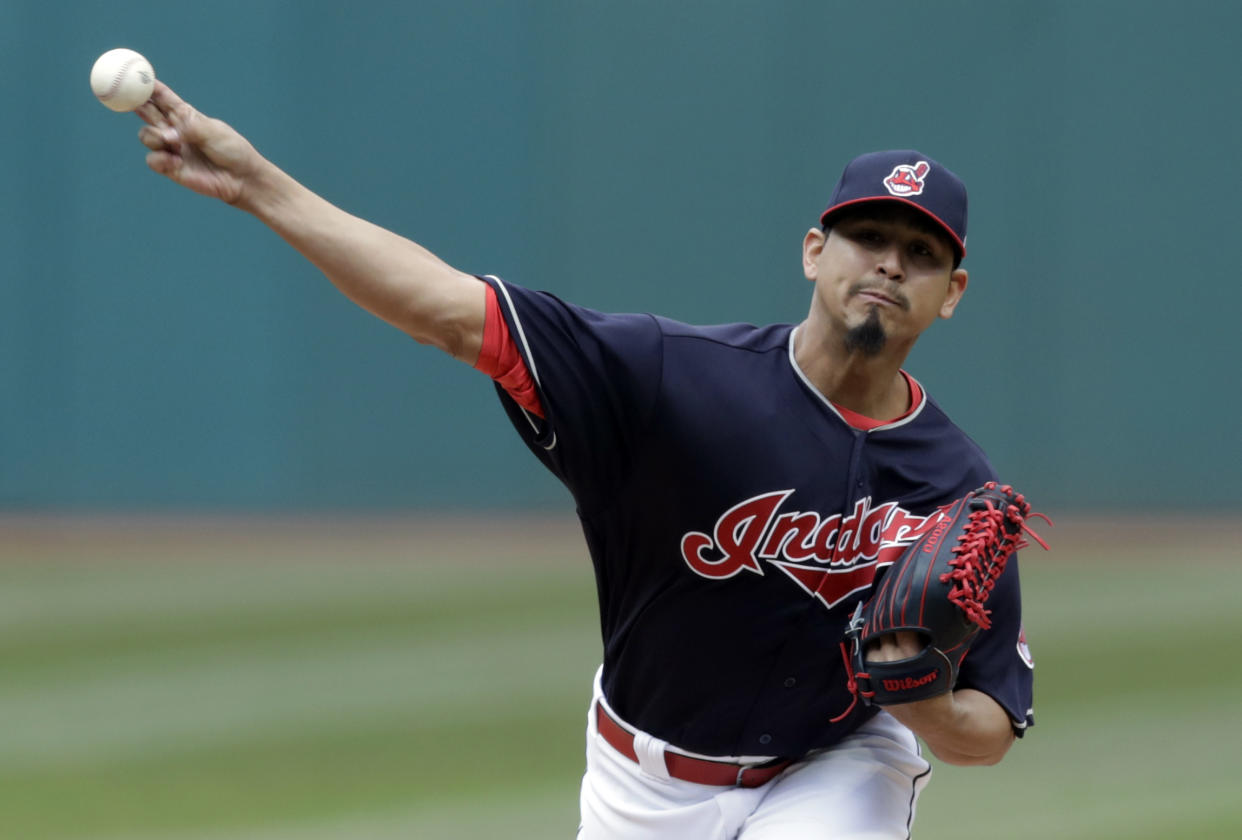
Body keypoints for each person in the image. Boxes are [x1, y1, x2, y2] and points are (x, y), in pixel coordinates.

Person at [134, 80, 1034, 839]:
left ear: (950, 294)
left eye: (919, 254)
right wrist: (256, 184)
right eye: (868, 237)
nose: (888, 264)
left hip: (837, 765)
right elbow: (450, 313)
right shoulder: (672, 380)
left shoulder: (958, 483)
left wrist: (924, 704)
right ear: (814, 250)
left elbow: (991, 724)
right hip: (641, 778)